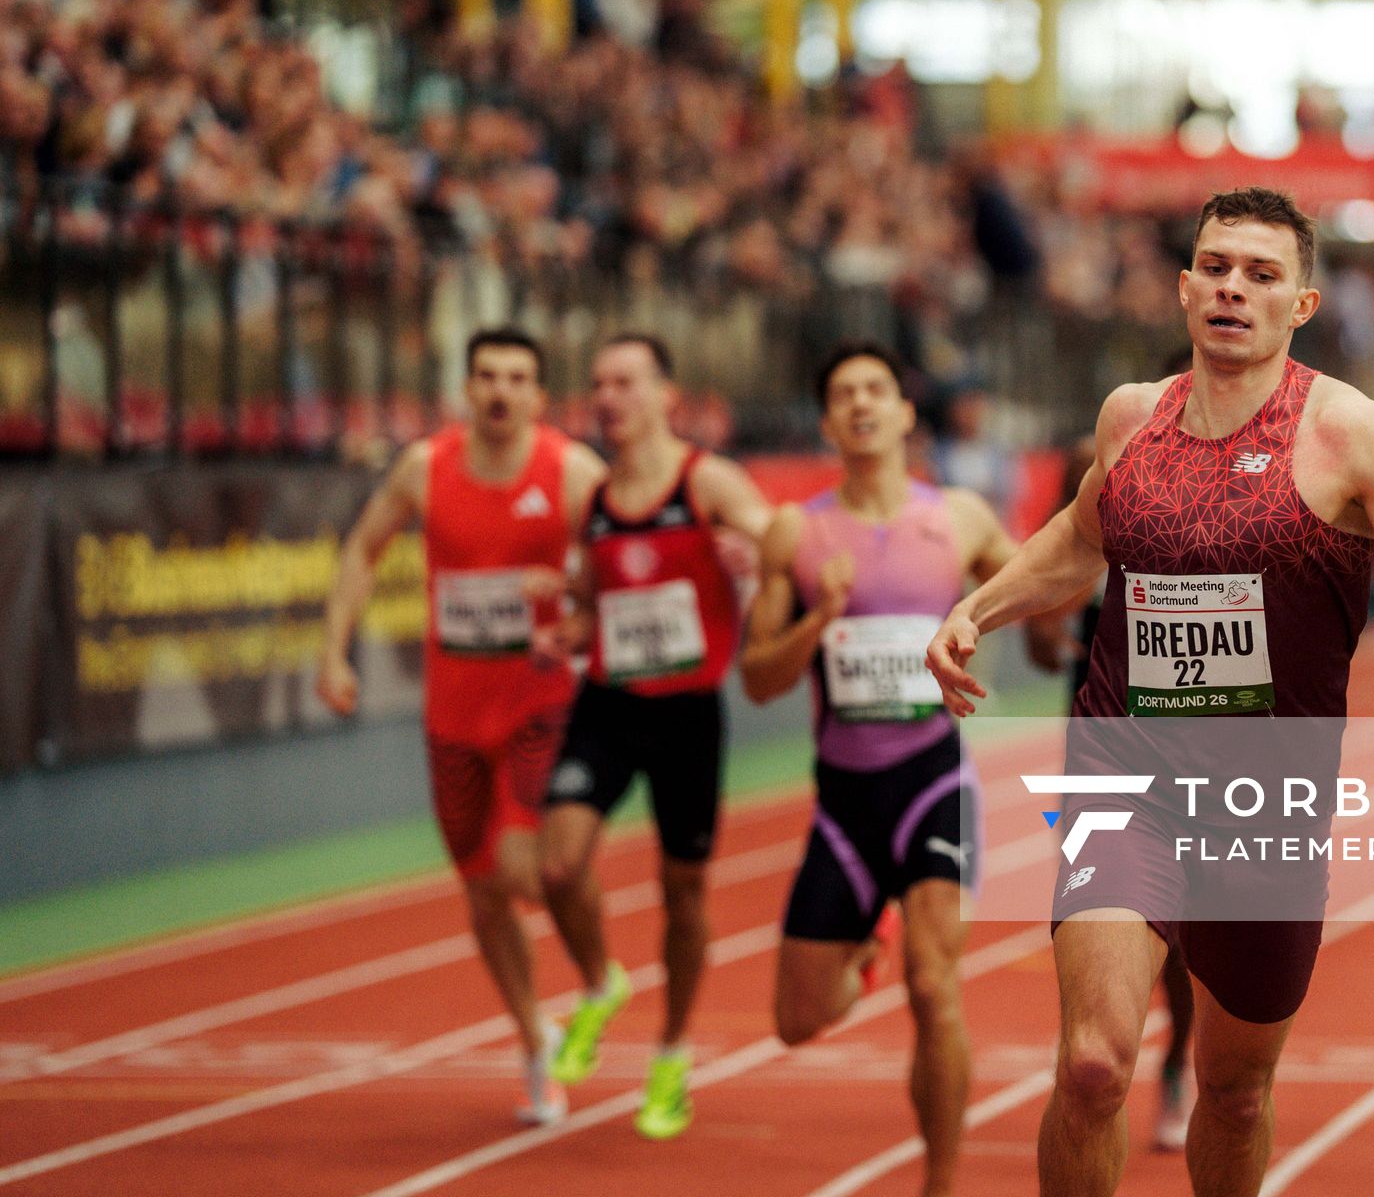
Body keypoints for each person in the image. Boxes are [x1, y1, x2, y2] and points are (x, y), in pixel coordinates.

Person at [926, 186, 1374, 1197]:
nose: (1235, 288)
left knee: (1234, 1086)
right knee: (1095, 1061)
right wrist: (983, 604)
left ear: (1302, 304)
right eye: (1219, 267)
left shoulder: (1352, 436)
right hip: (1124, 773)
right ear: (1187, 286)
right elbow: (1080, 535)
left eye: (1262, 274)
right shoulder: (1131, 417)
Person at [741, 343, 1016, 1197]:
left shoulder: (960, 518)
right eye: (842, 394)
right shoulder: (797, 532)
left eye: (876, 390)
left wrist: (1016, 632)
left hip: (935, 781)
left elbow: (1032, 582)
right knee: (796, 1021)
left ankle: (939, 1183)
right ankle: (865, 949)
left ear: (904, 413)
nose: (860, 404)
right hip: (844, 802)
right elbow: (757, 679)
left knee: (936, 991)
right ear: (828, 423)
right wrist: (817, 616)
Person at [318, 326, 605, 1127]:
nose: (501, 391)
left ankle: (592, 958)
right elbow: (362, 549)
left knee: (523, 870)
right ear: (466, 388)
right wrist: (333, 650)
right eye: (487, 376)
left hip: (539, 702)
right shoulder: (425, 467)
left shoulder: (573, 471)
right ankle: (534, 1042)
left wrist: (576, 597)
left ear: (541, 397)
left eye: (518, 377)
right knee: (482, 894)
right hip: (452, 715)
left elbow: (621, 560)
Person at [532, 333, 773, 1141]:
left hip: (687, 715)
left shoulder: (705, 481)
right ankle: (601, 983)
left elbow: (784, 543)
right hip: (607, 700)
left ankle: (671, 1050)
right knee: (557, 862)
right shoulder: (591, 499)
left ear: (666, 394)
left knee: (683, 893)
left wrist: (754, 555)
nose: (608, 397)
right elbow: (588, 597)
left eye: (625, 382)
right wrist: (566, 627)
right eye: (598, 383)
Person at [1022, 347, 1197, 1155]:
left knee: (1195, 930)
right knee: (1103, 900)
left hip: (1210, 732)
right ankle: (1101, 1045)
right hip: (1102, 720)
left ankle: (1179, 1059)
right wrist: (1049, 636)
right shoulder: (1102, 465)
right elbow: (1051, 587)